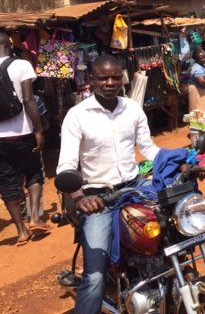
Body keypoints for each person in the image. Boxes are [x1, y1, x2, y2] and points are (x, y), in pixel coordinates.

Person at [56, 54, 160, 314]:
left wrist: (181, 161)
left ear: (122, 77)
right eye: (103, 77)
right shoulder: (77, 115)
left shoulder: (132, 108)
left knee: (170, 229)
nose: (110, 82)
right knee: (95, 275)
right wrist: (80, 198)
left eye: (115, 76)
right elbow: (66, 166)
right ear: (91, 80)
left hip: (133, 186)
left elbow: (148, 148)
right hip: (98, 198)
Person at [0, 33, 47, 246]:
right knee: (34, 172)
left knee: (7, 183)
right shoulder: (22, 65)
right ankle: (35, 218)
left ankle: (21, 231)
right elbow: (28, 100)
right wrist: (38, 129)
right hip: (22, 132)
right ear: (10, 44)